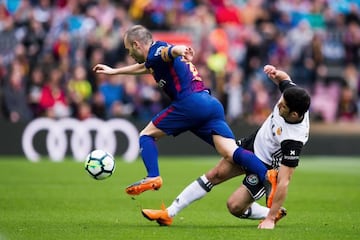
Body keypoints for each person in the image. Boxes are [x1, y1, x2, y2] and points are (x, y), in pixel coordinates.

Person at [93, 25, 276, 199]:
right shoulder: (153, 60)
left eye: (128, 50)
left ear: (136, 45)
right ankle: (267, 175)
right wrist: (114, 72)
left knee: (146, 135)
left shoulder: (158, 50)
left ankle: (153, 176)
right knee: (230, 152)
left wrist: (181, 50)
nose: (129, 54)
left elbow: (170, 51)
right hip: (210, 104)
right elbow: (147, 67)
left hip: (190, 102)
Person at [142, 64, 311, 230]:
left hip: (266, 166)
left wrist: (270, 219)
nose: (279, 104)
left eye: (283, 106)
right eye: (281, 100)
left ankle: (271, 213)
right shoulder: (292, 96)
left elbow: (284, 181)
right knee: (214, 174)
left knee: (234, 206)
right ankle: (169, 213)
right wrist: (275, 73)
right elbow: (285, 79)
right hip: (250, 145)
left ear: (294, 115)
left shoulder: (293, 139)